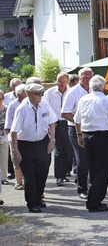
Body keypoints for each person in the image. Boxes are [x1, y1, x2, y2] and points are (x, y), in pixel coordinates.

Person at [75, 75, 108, 212]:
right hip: (102, 136)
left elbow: (77, 120)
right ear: (103, 87)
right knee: (103, 169)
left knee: (93, 168)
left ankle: (93, 198)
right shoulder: (107, 101)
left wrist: (79, 135)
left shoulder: (83, 99)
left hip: (87, 135)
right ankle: (94, 201)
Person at [10, 83, 57, 213]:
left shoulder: (45, 104)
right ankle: (32, 202)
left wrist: (52, 140)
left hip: (42, 142)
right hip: (26, 144)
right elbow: (14, 132)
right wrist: (16, 151)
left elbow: (52, 122)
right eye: (37, 94)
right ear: (28, 94)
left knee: (42, 173)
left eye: (41, 93)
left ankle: (39, 197)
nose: (40, 96)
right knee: (30, 176)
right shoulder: (22, 109)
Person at [61, 67, 93, 200]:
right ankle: (82, 188)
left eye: (90, 76)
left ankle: (91, 185)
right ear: (79, 78)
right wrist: (79, 121)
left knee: (92, 158)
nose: (87, 79)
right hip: (76, 130)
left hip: (91, 129)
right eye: (85, 77)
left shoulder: (93, 90)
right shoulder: (73, 92)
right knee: (82, 159)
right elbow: (64, 113)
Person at [43, 72, 73, 186]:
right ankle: (59, 176)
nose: (60, 84)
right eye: (58, 81)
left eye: (63, 81)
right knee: (59, 149)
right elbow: (45, 107)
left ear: (67, 82)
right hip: (56, 123)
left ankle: (66, 171)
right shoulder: (50, 93)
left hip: (69, 122)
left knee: (69, 149)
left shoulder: (71, 92)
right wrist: (49, 121)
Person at [5, 84, 27, 190]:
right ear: (19, 94)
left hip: (27, 137)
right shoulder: (13, 105)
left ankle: (28, 180)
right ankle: (19, 182)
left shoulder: (29, 103)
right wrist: (10, 136)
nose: (27, 94)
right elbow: (9, 123)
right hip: (15, 136)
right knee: (16, 159)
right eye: (25, 92)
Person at [0, 90, 9, 185]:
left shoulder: (7, 109)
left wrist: (4, 135)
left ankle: (3, 177)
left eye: (0, 98)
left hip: (4, 137)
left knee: (3, 157)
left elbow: (9, 123)